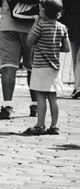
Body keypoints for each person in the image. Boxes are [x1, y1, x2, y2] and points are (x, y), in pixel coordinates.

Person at [0, 0, 39, 119]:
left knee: (9, 66)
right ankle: (35, 105)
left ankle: (7, 105)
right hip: (35, 26)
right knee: (33, 67)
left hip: (8, 25)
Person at [24, 0, 70, 135]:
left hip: (40, 66)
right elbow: (66, 48)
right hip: (54, 67)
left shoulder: (41, 26)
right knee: (53, 97)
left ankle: (40, 124)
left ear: (43, 12)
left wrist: (35, 23)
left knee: (40, 96)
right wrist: (54, 48)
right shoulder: (62, 27)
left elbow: (29, 42)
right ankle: (54, 125)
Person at [62, 0, 80, 98]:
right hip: (73, 21)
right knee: (75, 58)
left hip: (72, 21)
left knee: (77, 58)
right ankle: (76, 87)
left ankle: (77, 87)